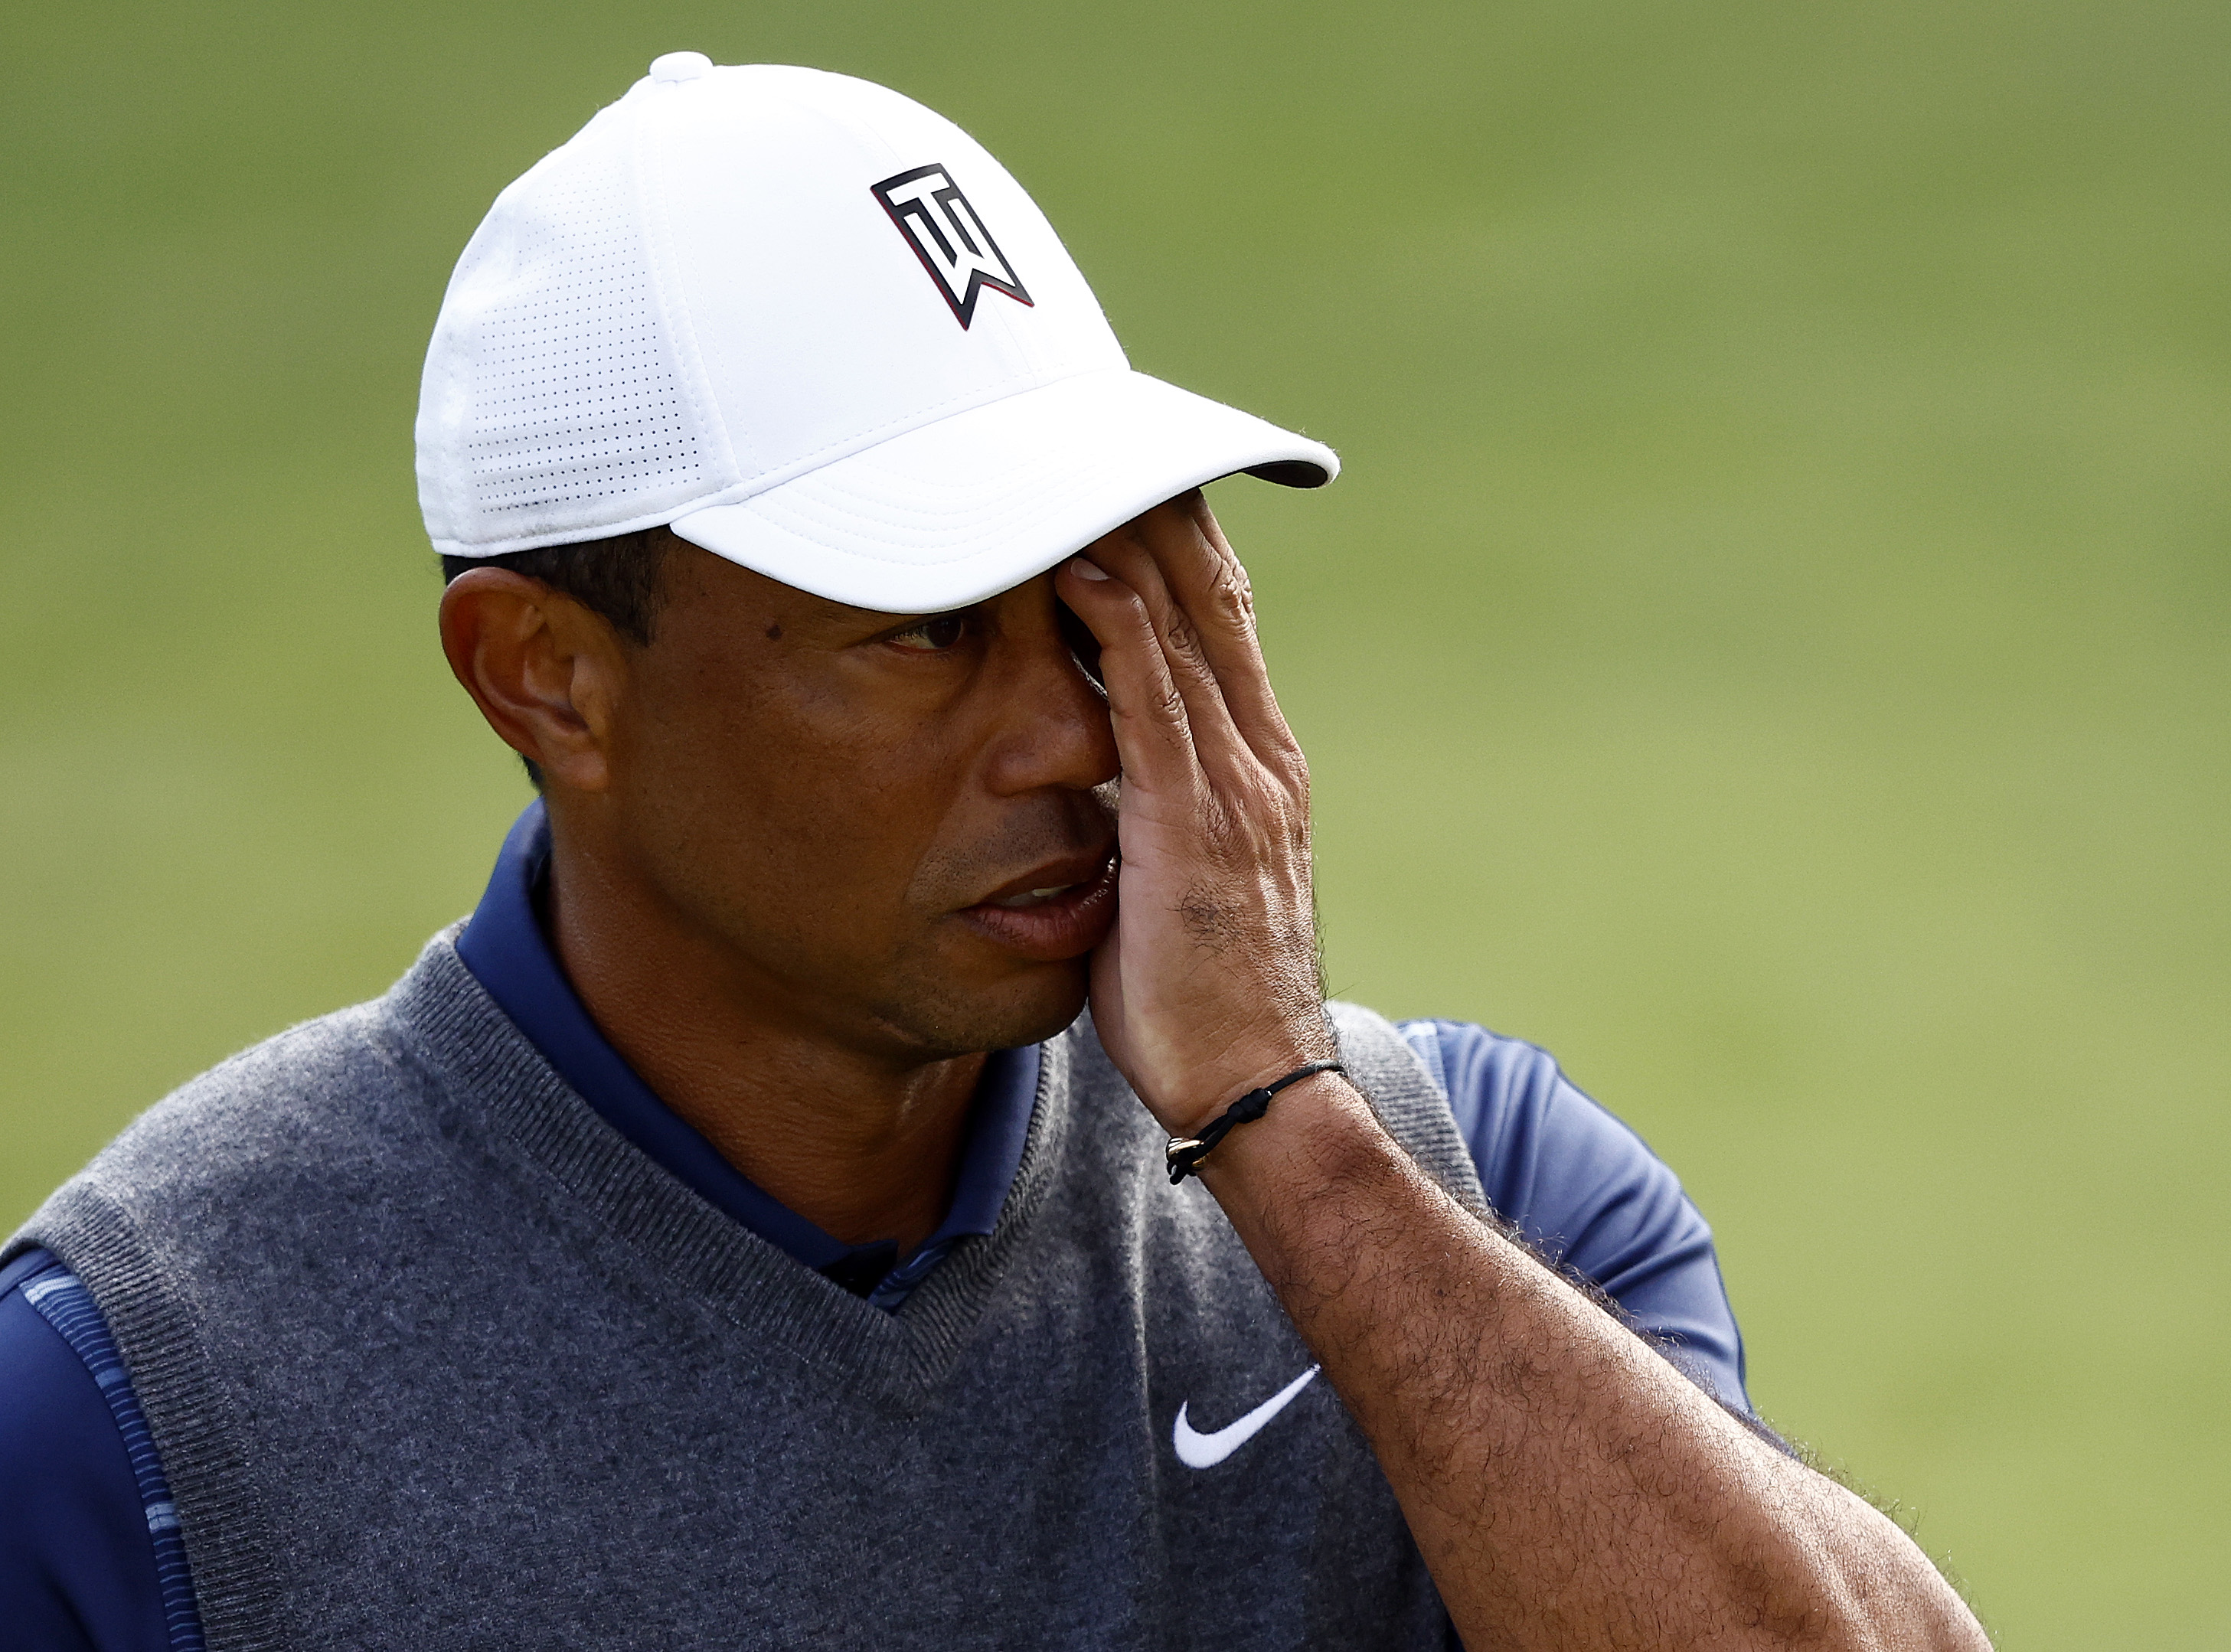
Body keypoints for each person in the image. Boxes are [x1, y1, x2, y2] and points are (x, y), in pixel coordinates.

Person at [0, 55, 1988, 1651]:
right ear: (547, 681)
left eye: (1105, 601)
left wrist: (1283, 1127)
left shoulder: (1469, 1186)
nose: (1070, 735)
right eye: (925, 628)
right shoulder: (129, 1413)